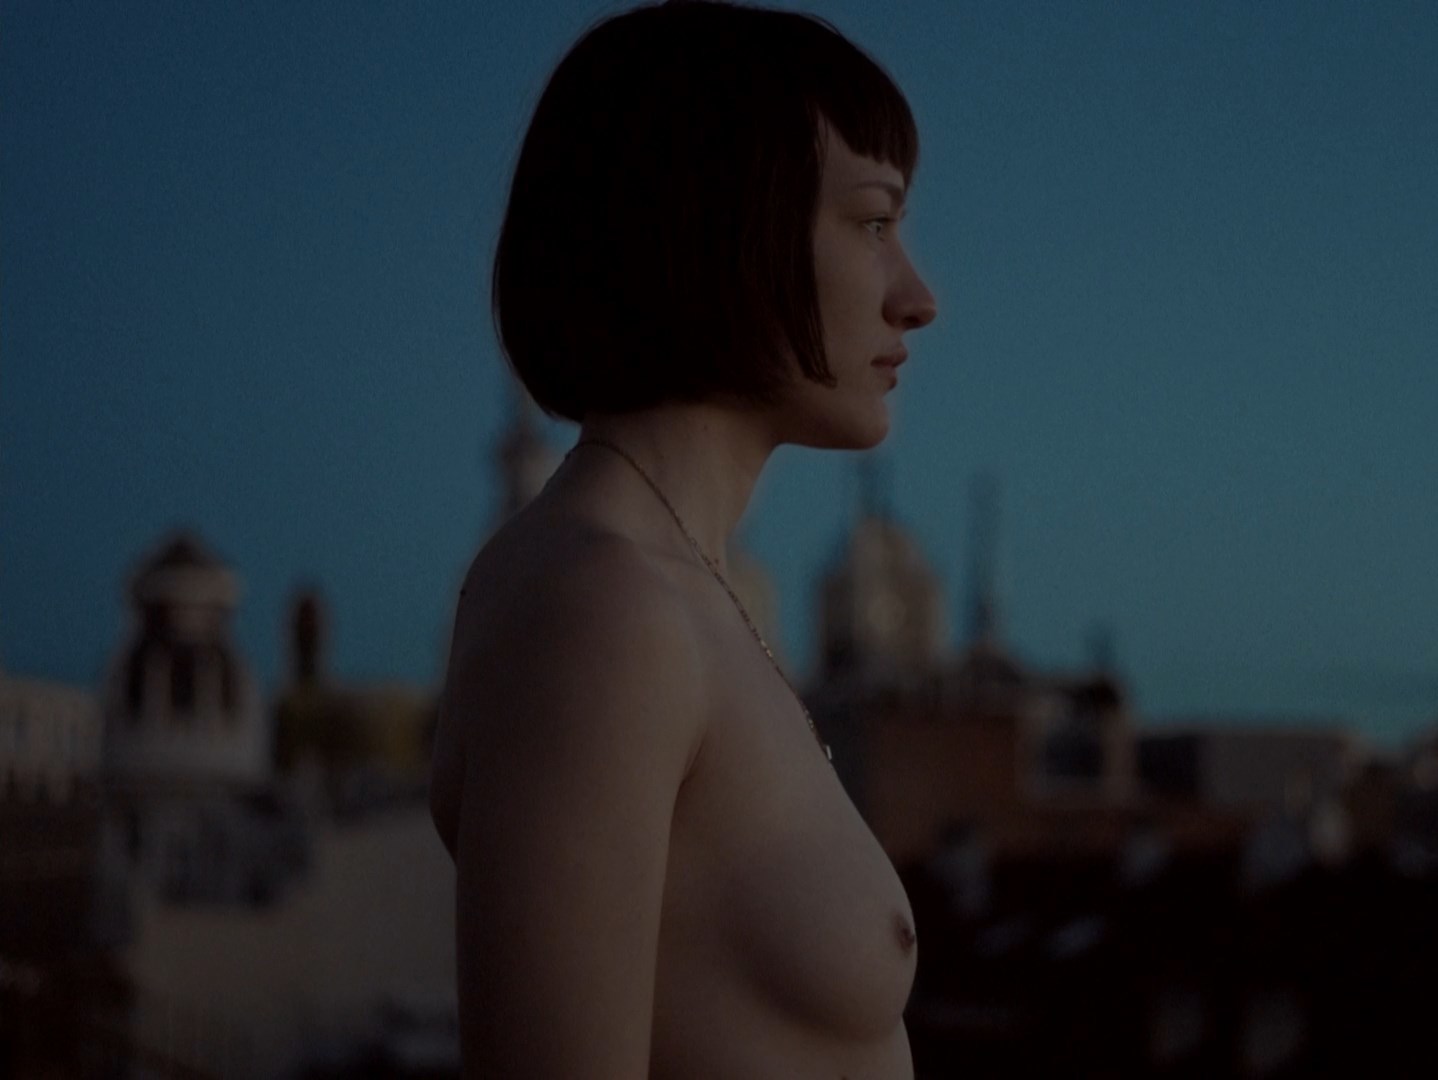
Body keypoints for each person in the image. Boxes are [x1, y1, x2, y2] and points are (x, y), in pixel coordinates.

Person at [429, 1, 937, 1075]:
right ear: (724, 232)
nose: (917, 297)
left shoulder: (676, 596)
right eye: (873, 224)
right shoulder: (601, 610)